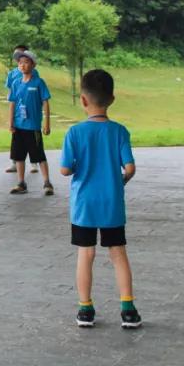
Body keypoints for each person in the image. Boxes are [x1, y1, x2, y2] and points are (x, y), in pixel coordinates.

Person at [60, 69, 139, 329]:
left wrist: (74, 168)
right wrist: (120, 181)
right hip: (111, 203)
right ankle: (128, 309)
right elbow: (129, 168)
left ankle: (85, 309)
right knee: (118, 254)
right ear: (112, 99)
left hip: (84, 205)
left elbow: (65, 169)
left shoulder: (74, 133)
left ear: (83, 100)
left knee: (86, 254)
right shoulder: (120, 131)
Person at [7, 50, 54, 196]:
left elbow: (45, 102)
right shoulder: (15, 83)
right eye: (20, 63)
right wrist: (11, 122)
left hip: (33, 126)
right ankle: (21, 183)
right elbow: (12, 103)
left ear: (33, 65)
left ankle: (47, 183)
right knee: (19, 155)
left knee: (39, 155)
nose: (22, 65)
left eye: (26, 62)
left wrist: (47, 123)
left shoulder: (39, 83)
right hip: (19, 126)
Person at [4, 45, 39, 175]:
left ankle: (34, 163)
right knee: (16, 139)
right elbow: (10, 93)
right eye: (16, 55)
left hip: (30, 112)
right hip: (18, 112)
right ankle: (15, 162)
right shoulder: (12, 74)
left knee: (31, 139)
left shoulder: (34, 73)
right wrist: (11, 116)